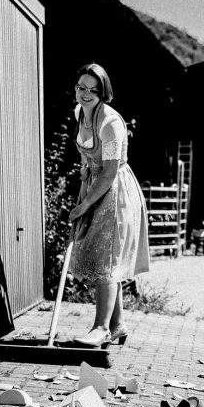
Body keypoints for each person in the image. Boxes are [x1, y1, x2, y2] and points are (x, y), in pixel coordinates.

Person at [67, 64, 151, 347]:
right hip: (93, 184)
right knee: (98, 255)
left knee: (106, 258)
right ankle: (117, 325)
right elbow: (87, 160)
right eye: (81, 87)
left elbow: (110, 171)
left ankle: (100, 328)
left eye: (93, 89)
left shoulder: (111, 122)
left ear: (104, 91)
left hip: (115, 191)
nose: (86, 94)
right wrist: (83, 192)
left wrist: (85, 204)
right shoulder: (79, 113)